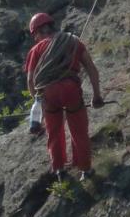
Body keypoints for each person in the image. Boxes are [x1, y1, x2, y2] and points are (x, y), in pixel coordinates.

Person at [24, 12, 104, 181]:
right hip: (70, 89)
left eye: (35, 36)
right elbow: (91, 69)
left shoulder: (36, 50)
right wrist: (97, 96)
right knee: (79, 130)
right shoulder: (73, 41)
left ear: (38, 32)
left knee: (54, 132)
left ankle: (60, 170)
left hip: (48, 92)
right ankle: (85, 170)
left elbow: (31, 80)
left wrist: (38, 102)